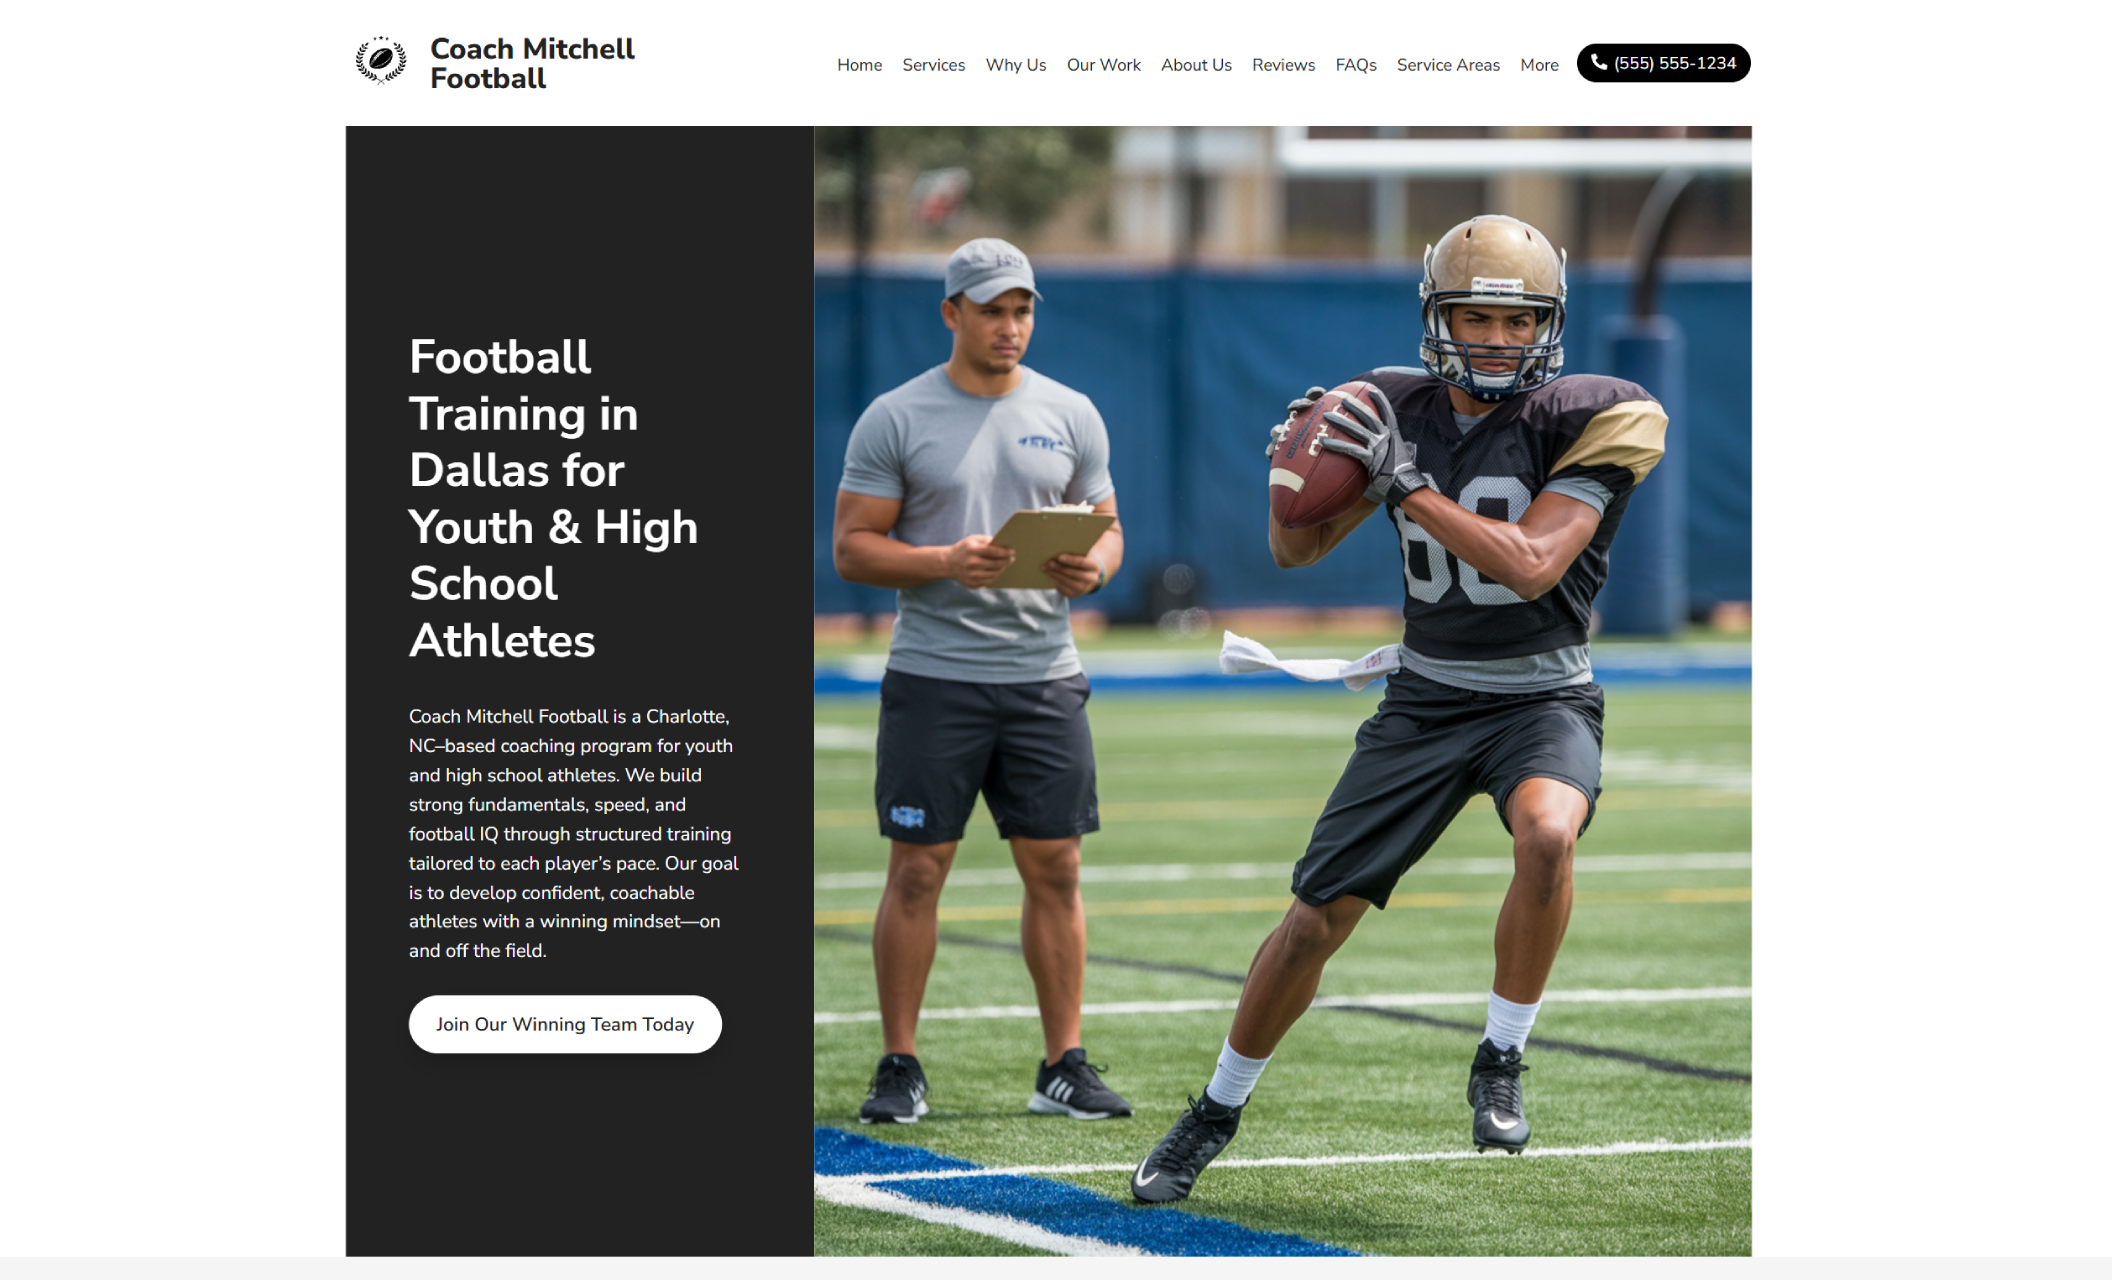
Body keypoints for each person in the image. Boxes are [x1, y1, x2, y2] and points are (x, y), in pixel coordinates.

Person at [1130, 215, 1668, 1202]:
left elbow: (1536, 561)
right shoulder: (1387, 405)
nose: (1498, 340)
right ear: (1438, 316)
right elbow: (1296, 551)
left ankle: (1501, 1053)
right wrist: (1296, 478)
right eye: (1476, 315)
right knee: (1312, 920)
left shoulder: (1602, 411)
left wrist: (1405, 484)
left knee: (1549, 831)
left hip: (1542, 690)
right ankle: (1213, 1109)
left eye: (1519, 322)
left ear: (1551, 326)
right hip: (1426, 697)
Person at [833, 238, 1132, 1125]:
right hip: (935, 677)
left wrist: (1099, 569)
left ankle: (1063, 1065)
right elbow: (852, 548)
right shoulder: (896, 415)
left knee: (1057, 868)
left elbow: (1109, 527)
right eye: (993, 310)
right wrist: (941, 559)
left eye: (1023, 310)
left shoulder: (1071, 411)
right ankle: (899, 1062)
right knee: (918, 872)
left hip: (1044, 677)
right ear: (952, 313)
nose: (1010, 326)